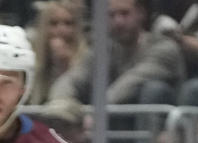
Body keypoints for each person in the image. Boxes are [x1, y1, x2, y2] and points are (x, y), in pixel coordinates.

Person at [50, 0, 185, 105]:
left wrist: (94, 114)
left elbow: (130, 84)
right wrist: (60, 105)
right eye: (111, 15)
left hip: (159, 131)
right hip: (115, 125)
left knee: (153, 90)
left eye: (125, 13)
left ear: (141, 14)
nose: (118, 21)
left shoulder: (164, 48)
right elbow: (74, 78)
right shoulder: (103, 49)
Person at [27, 0, 89, 105]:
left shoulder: (88, 60)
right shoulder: (31, 58)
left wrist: (66, 64)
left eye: (68, 23)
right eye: (53, 23)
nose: (61, 29)